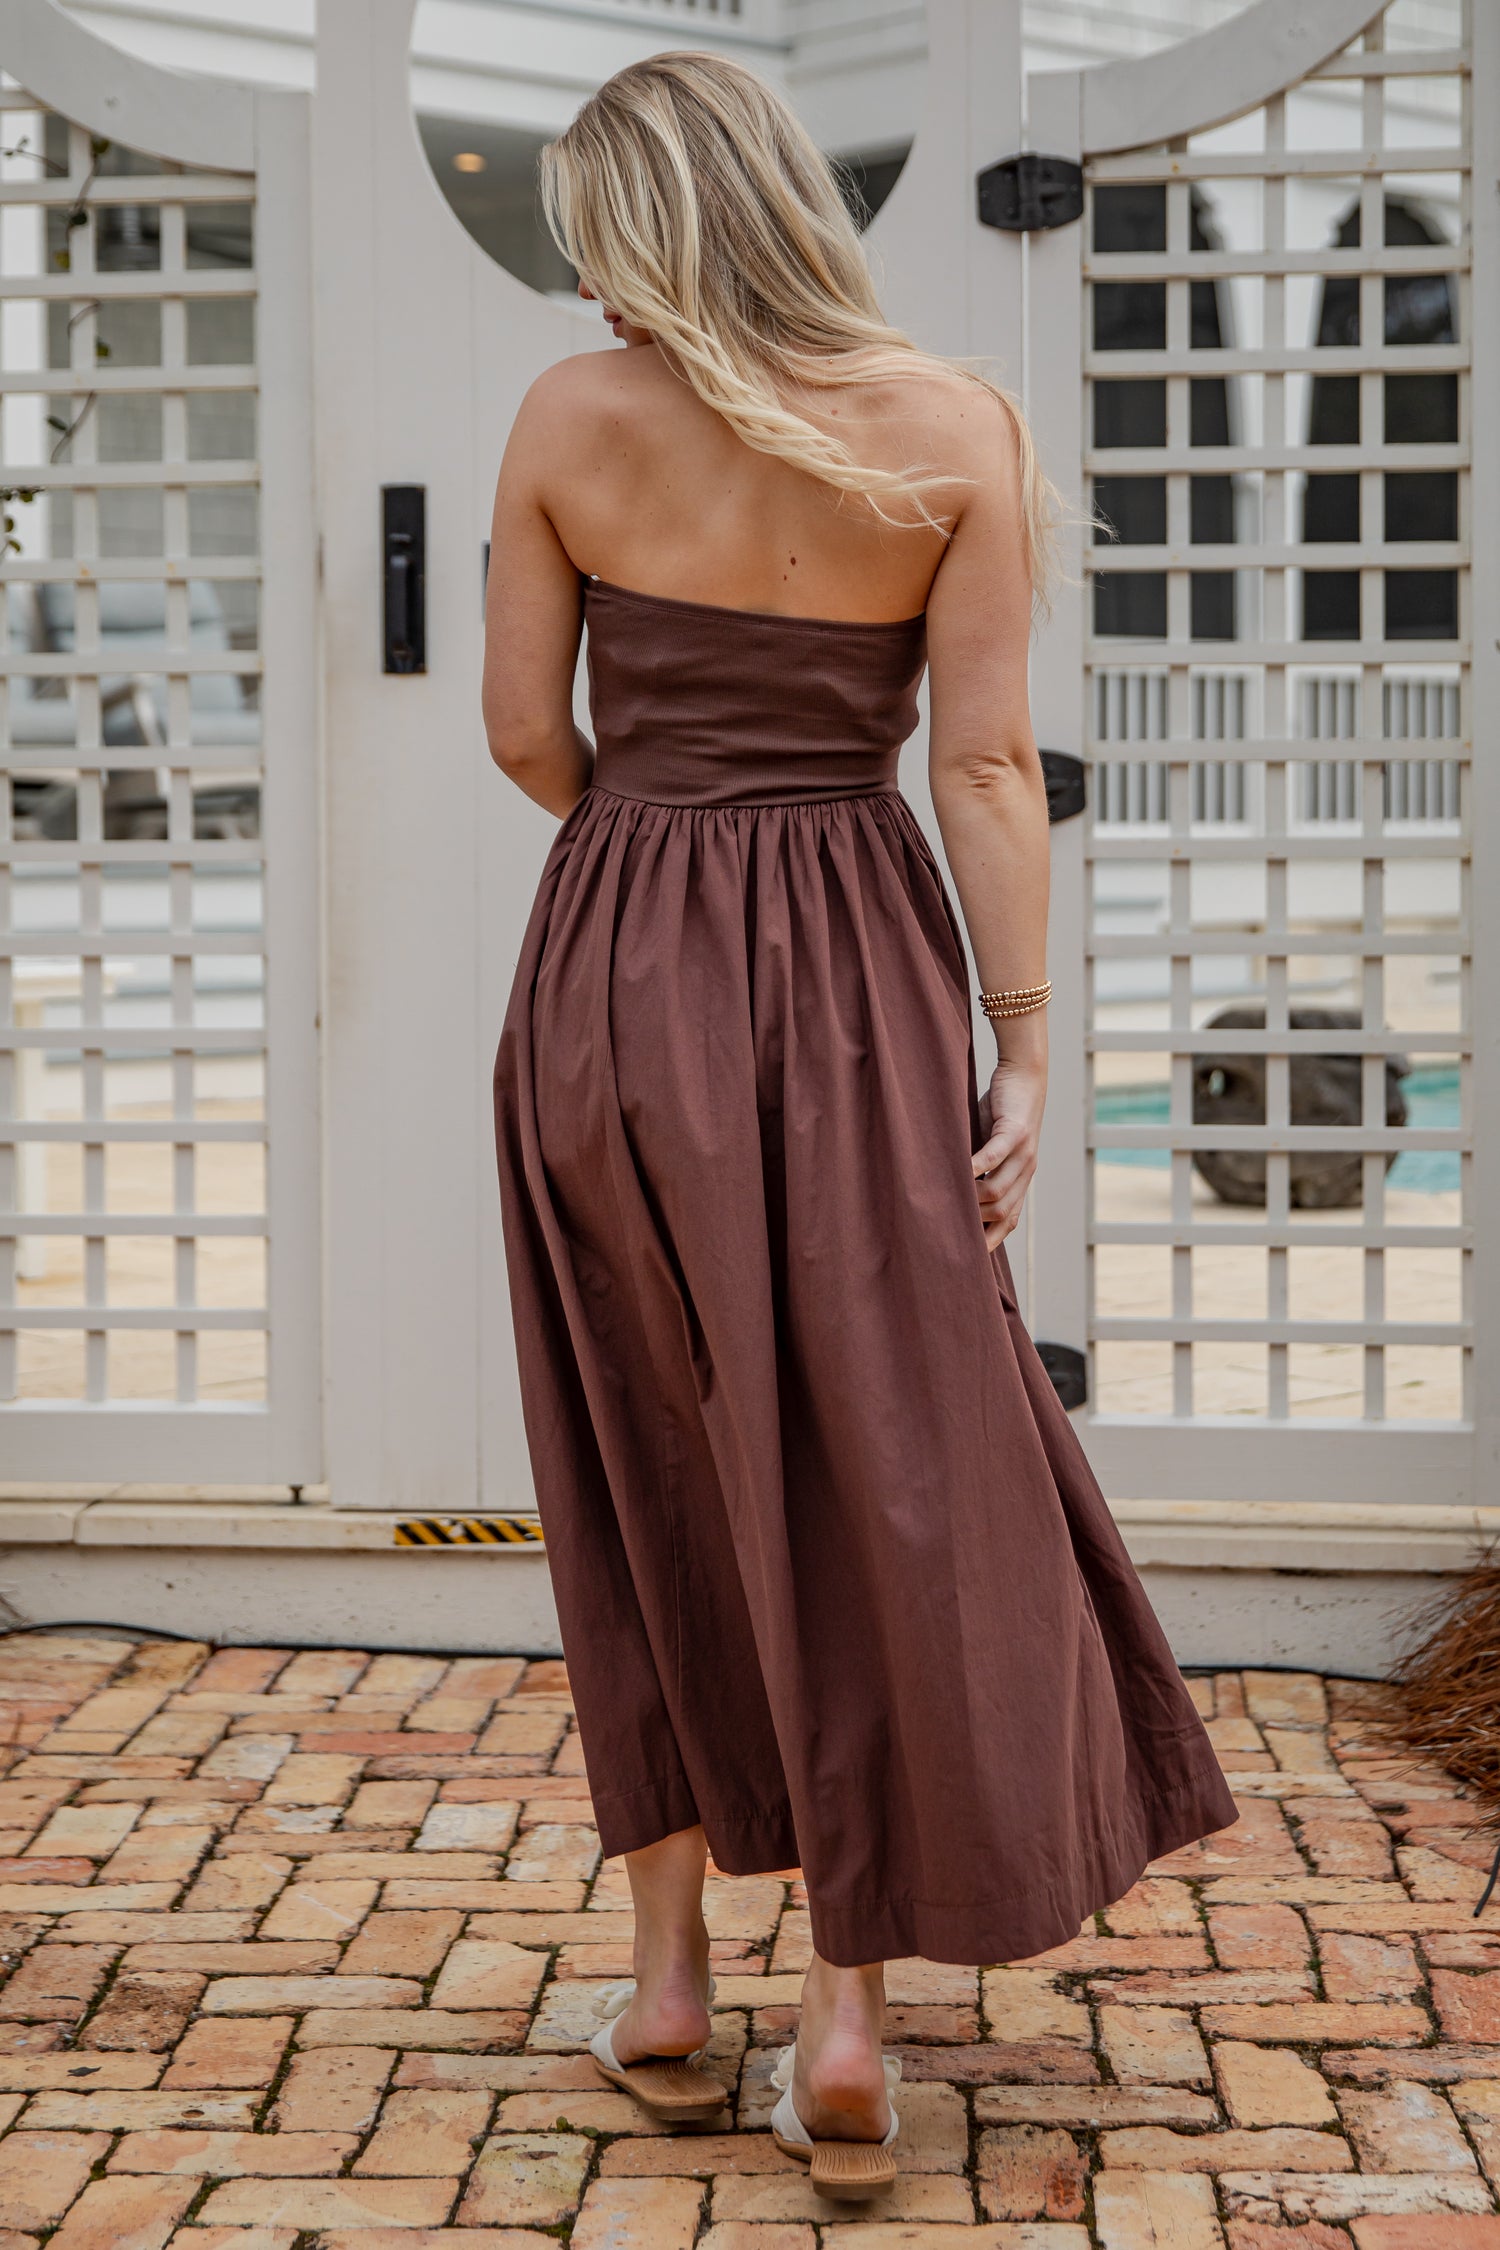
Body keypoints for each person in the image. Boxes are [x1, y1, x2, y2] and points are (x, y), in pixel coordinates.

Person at [486, 49, 1235, 2203]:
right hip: (864, 964)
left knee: (638, 1445)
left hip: (617, 962)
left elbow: (528, 733)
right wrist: (1018, 1045)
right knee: (884, 1468)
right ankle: (843, 2009)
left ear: (635, 219)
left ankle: (658, 1982)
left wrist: (659, 856)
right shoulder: (960, 428)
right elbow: (988, 774)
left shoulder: (567, 416)